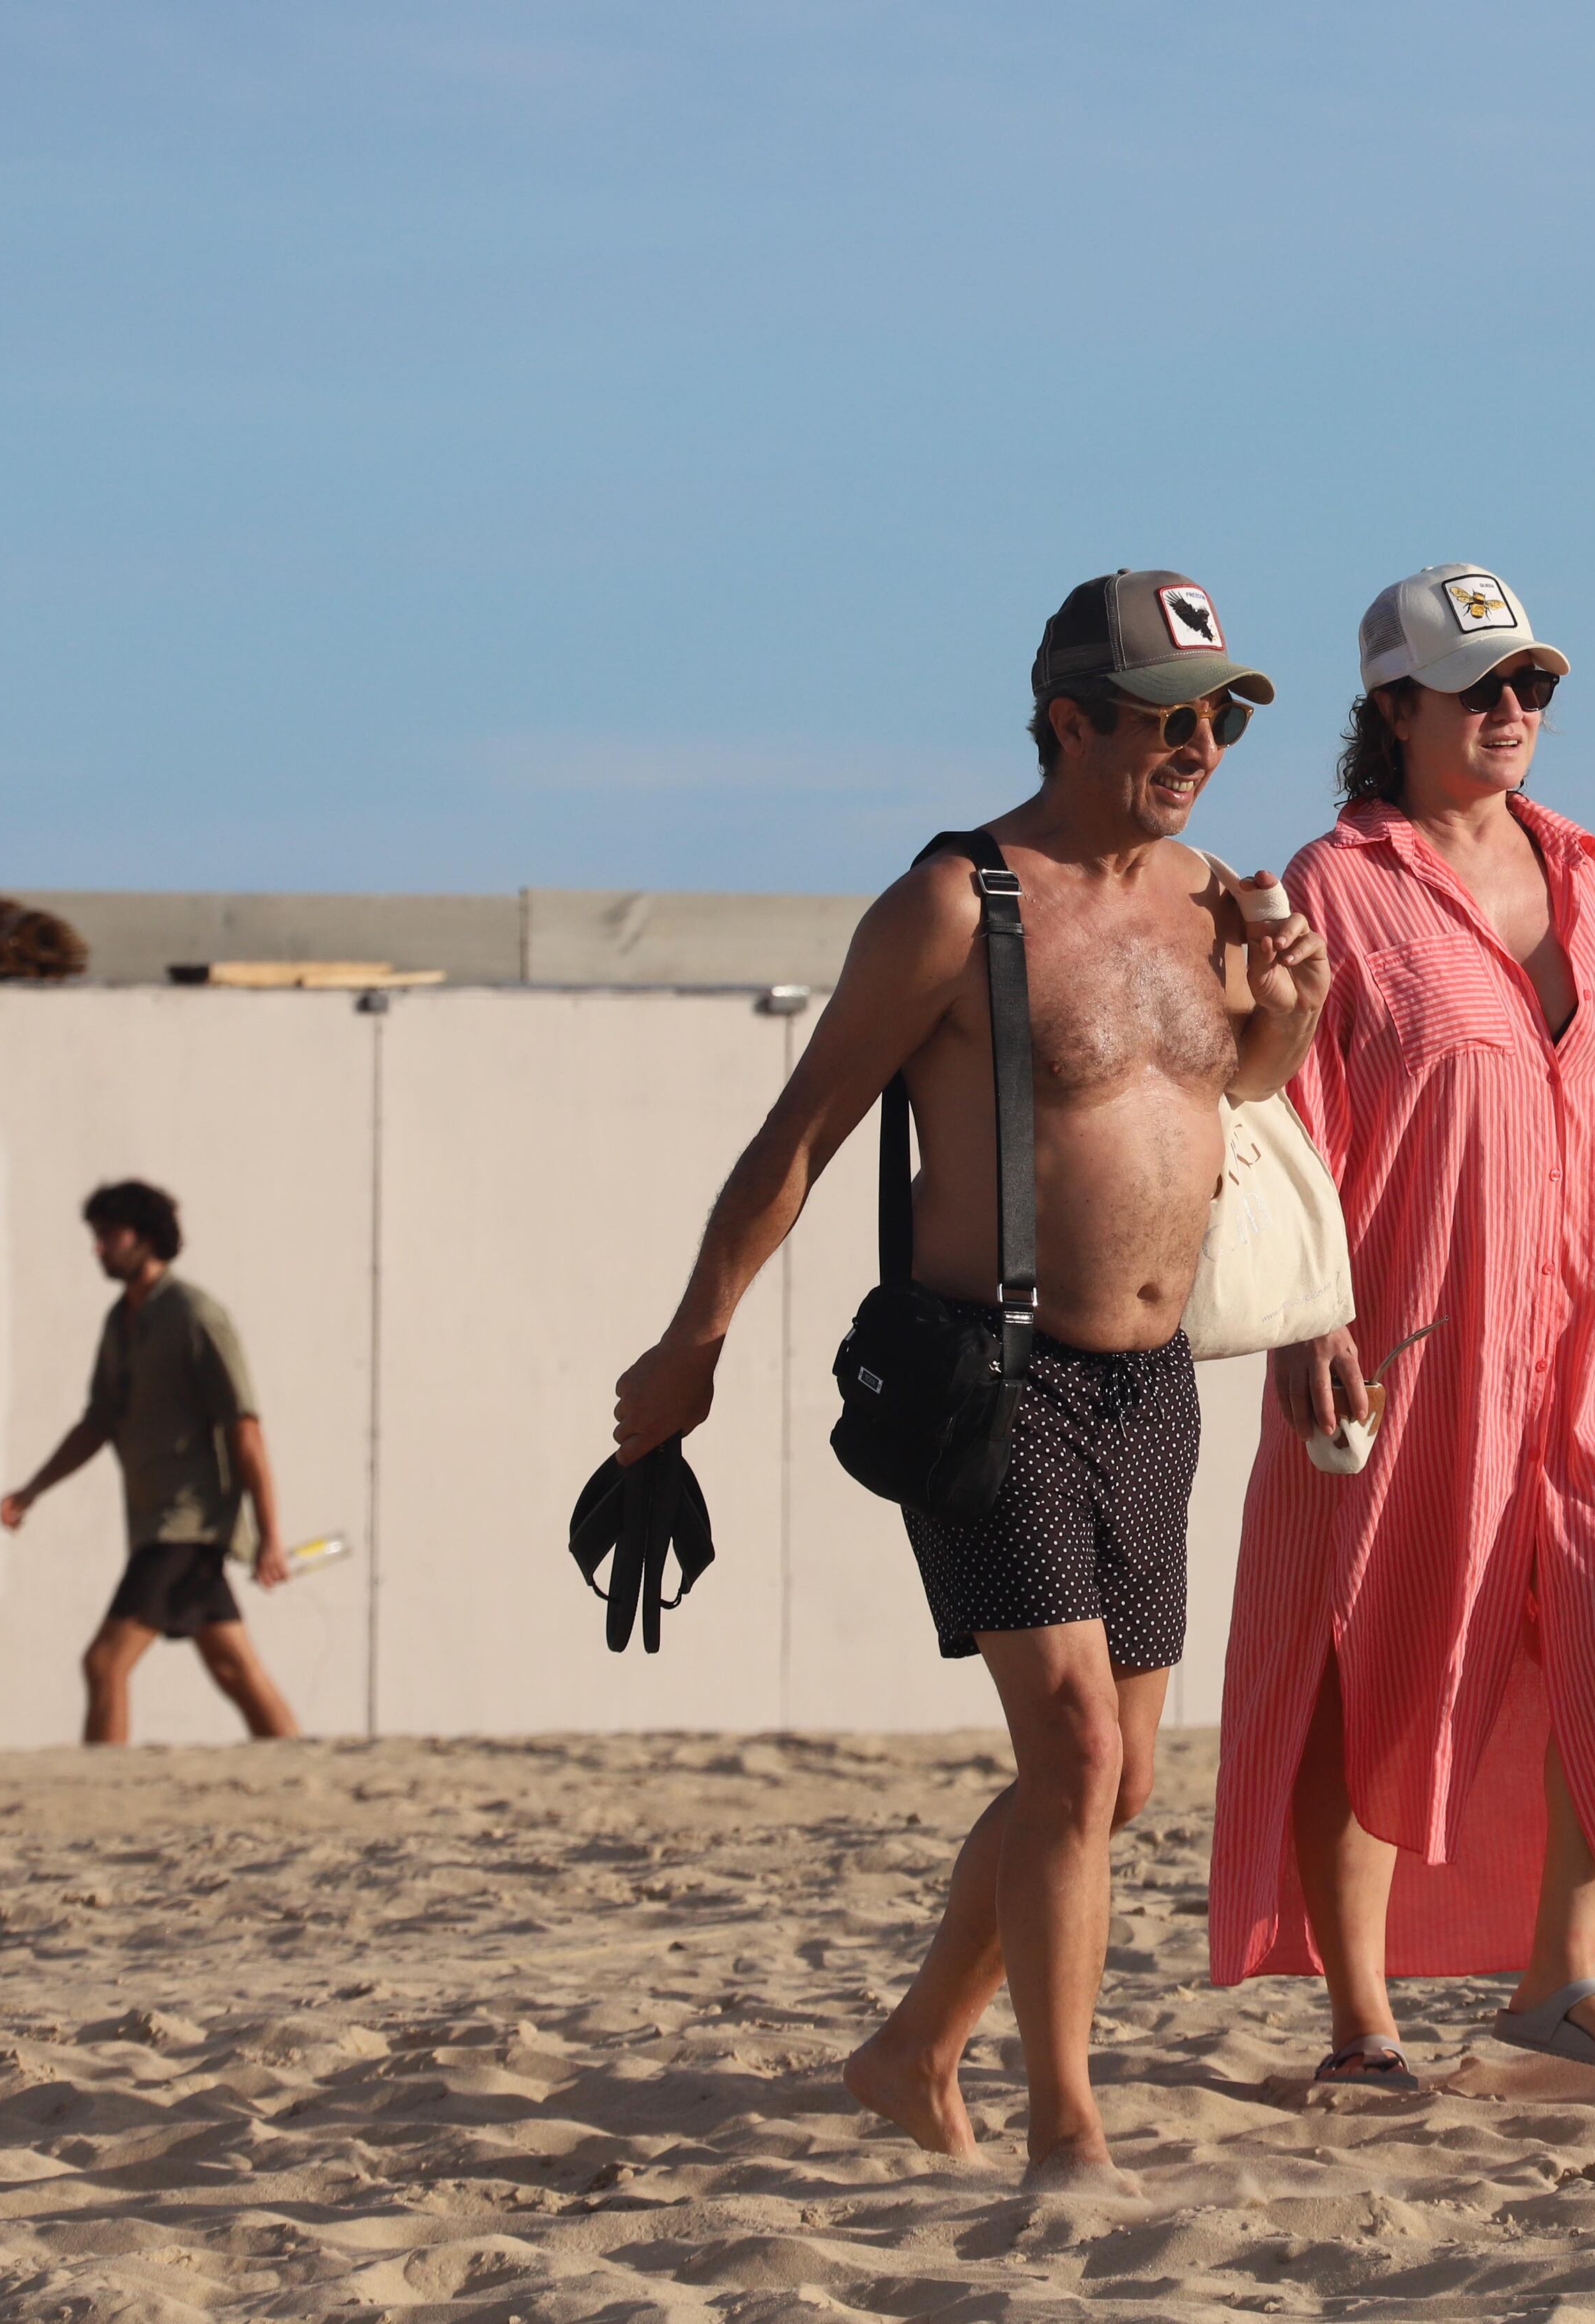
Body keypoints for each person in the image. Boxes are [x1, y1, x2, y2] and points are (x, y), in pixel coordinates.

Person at [609, 569, 1331, 2188]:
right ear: (1066, 717)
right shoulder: (955, 904)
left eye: (1217, 714)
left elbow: (1232, 1104)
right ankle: (1065, 2132)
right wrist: (692, 1342)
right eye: (1162, 714)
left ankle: (911, 2047)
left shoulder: (1217, 897)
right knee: (1074, 1755)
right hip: (991, 1379)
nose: (1198, 742)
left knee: (1120, 1782)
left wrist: (1286, 1010)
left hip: (1155, 1391)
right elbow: (801, 1130)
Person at [1208, 563, 1595, 2088]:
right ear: (1395, 705)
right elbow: (1288, 1114)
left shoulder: (1588, 869)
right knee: (1369, 1645)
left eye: (1535, 686)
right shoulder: (1334, 883)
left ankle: (1558, 1972)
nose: (1515, 711)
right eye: (1482, 686)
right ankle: (1362, 2021)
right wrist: (1305, 1312)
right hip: (1401, 1332)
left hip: (1586, 1322)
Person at [0, 1179, 302, 1746]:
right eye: (96, 1237)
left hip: (186, 1526)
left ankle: (102, 1796)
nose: (99, 1249)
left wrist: (270, 1532)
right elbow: (99, 1422)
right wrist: (34, 1488)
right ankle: (302, 1768)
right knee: (233, 1667)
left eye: (110, 1236)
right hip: (153, 1523)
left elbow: (246, 1428)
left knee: (104, 1662)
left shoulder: (196, 1317)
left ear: (146, 1237)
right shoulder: (121, 1323)